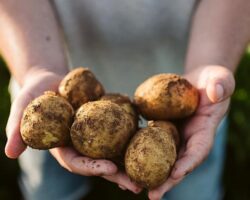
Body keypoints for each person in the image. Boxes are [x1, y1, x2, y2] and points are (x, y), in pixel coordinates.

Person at [0, 0, 249, 199]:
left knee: (194, 181)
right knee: (48, 186)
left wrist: (210, 60)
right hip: (51, 67)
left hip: (195, 87)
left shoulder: (182, 108)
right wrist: (37, 67)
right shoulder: (63, 104)